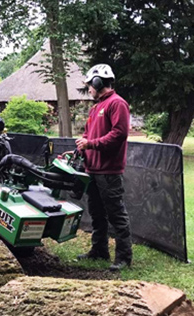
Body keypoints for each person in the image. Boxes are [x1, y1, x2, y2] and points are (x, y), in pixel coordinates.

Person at [75, 64, 132, 271]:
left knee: (116, 214)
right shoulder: (95, 107)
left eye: (90, 85)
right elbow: (88, 134)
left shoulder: (117, 104)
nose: (89, 89)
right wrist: (83, 143)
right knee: (97, 213)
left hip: (109, 171)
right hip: (93, 169)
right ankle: (99, 250)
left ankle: (124, 258)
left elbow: (119, 134)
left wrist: (91, 144)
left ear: (98, 82)